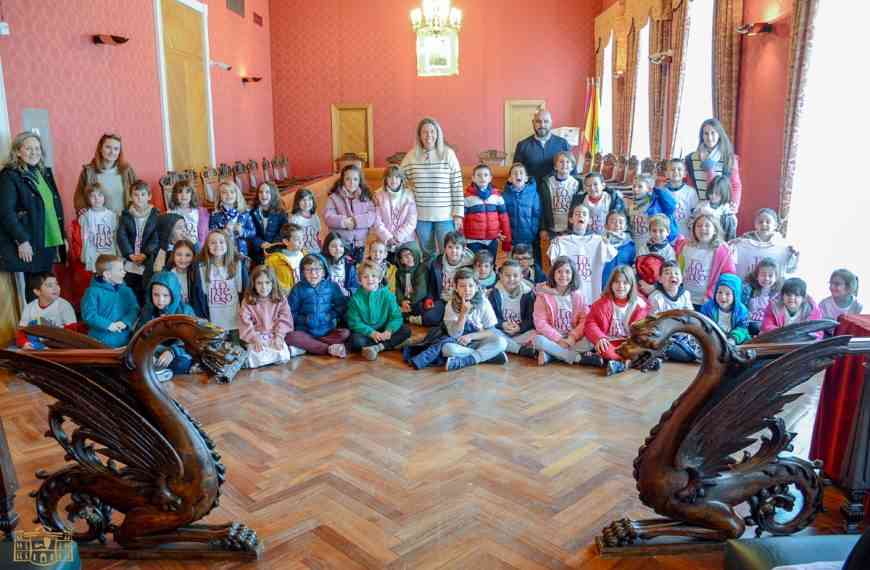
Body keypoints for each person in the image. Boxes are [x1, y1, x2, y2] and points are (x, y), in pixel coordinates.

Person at [0, 132, 66, 299]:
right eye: (28, 148)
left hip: (49, 239)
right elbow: (6, 212)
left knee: (47, 288)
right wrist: (22, 240)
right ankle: (34, 325)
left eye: (37, 148)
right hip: (32, 241)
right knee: (36, 290)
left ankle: (46, 324)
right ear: (18, 151)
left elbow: (53, 207)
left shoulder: (43, 173)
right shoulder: (10, 175)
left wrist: (62, 234)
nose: (34, 152)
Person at [400, 117, 464, 264]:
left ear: (438, 134)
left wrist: (458, 214)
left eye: (432, 131)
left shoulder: (448, 154)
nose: (429, 135)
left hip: (445, 215)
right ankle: (431, 284)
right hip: (421, 215)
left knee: (447, 254)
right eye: (425, 132)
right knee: (427, 255)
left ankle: (447, 285)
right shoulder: (412, 156)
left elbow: (457, 185)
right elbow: (398, 178)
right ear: (419, 135)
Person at [584, 265, 650, 376]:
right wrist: (599, 338)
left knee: (644, 347)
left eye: (625, 283)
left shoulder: (639, 305)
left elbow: (643, 329)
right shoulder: (602, 303)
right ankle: (636, 362)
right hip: (611, 342)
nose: (621, 286)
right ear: (611, 284)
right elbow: (590, 323)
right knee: (605, 350)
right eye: (617, 282)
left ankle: (621, 365)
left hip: (630, 343)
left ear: (632, 285)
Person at [441, 267, 508, 371]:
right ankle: (490, 356)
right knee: (447, 349)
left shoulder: (483, 302)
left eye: (471, 286)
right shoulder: (450, 305)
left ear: (477, 286)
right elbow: (454, 334)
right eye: (462, 286)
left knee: (502, 342)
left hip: (479, 340)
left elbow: (492, 331)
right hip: (460, 343)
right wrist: (463, 314)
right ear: (455, 287)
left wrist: (471, 336)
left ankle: (465, 361)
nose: (467, 290)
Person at [548, 203, 616, 303]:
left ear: (590, 221)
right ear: (571, 219)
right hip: (568, 295)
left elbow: (612, 255)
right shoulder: (561, 242)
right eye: (577, 214)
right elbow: (553, 264)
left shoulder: (599, 241)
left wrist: (606, 243)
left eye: (584, 214)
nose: (580, 216)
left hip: (592, 294)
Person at [532, 256, 594, 366]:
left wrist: (572, 337)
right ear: (553, 274)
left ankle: (551, 354)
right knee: (537, 340)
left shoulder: (579, 296)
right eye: (559, 271)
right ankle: (574, 357)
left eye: (567, 272)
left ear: (573, 275)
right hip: (552, 337)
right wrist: (559, 339)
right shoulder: (543, 296)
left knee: (591, 340)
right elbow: (540, 323)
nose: (563, 275)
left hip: (572, 338)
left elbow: (585, 320)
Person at [135, 271, 197, 379]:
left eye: (165, 295)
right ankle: (158, 372)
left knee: (181, 363)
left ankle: (159, 372)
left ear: (174, 294)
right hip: (155, 349)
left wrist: (172, 352)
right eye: (156, 295)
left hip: (178, 350)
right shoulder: (147, 310)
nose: (160, 300)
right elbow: (140, 333)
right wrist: (148, 353)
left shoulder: (185, 311)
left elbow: (189, 339)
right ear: (150, 294)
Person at [286, 253, 350, 358]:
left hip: (327, 332)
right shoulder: (298, 288)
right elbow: (290, 313)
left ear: (324, 271)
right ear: (303, 272)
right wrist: (305, 320)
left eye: (317, 269)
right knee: (291, 337)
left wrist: (330, 316)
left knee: (345, 333)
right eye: (308, 269)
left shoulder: (332, 286)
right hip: (305, 331)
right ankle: (328, 349)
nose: (313, 273)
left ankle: (312, 346)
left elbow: (341, 306)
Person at [347, 260, 412, 361]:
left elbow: (396, 316)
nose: (370, 280)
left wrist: (389, 330)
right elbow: (354, 322)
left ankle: (377, 347)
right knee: (355, 341)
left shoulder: (388, 295)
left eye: (373, 276)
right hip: (367, 333)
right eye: (365, 277)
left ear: (379, 278)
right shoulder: (355, 299)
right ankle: (392, 344)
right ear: (360, 280)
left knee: (406, 330)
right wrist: (371, 333)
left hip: (385, 330)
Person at [239, 265, 300, 369]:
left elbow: (285, 319)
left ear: (273, 283)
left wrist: (279, 336)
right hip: (257, 336)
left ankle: (289, 349)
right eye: (259, 283)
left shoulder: (280, 299)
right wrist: (254, 338)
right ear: (253, 284)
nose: (264, 287)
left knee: (282, 356)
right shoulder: (248, 301)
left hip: (275, 335)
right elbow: (245, 322)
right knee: (255, 359)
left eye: (267, 282)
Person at [195, 230, 248, 338]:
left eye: (221, 242)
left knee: (236, 348)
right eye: (213, 242)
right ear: (207, 246)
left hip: (236, 319)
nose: (217, 245)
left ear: (228, 244)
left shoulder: (238, 264)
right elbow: (199, 295)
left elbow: (246, 291)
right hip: (213, 321)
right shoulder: (201, 267)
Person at [678, 211, 736, 308]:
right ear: (693, 229)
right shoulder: (684, 245)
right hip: (683, 298)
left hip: (706, 301)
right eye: (699, 226)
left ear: (715, 230)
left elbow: (728, 277)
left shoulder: (722, 250)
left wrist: (711, 294)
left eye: (707, 226)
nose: (703, 229)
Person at [684, 118, 742, 213]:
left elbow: (735, 185)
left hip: (721, 209)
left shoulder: (729, 158)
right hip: (698, 209)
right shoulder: (691, 159)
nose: (709, 138)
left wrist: (734, 204)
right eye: (706, 133)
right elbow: (690, 186)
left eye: (713, 133)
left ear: (719, 135)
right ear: (701, 136)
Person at [81, 254, 139, 348]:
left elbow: (134, 309)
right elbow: (89, 314)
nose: (124, 272)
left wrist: (126, 322)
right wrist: (108, 325)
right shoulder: (92, 292)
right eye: (120, 270)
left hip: (125, 341)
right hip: (99, 342)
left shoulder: (126, 290)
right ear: (107, 274)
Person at [418, 231, 474, 327]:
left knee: (467, 322)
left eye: (457, 248)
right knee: (429, 317)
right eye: (450, 247)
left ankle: (446, 322)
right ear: (444, 248)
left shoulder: (470, 265)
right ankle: (444, 320)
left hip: (461, 300)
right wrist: (429, 298)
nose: (453, 251)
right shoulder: (437, 263)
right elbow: (432, 284)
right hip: (444, 299)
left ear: (463, 250)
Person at [647, 261, 700, 363]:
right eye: (667, 273)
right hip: (666, 337)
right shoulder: (656, 297)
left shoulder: (685, 294)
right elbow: (654, 323)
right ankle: (661, 354)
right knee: (685, 355)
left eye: (676, 273)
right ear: (660, 279)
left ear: (681, 278)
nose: (672, 275)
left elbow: (691, 317)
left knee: (703, 346)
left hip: (684, 334)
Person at [73, 133, 137, 215]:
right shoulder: (88, 171)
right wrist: (81, 208)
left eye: (116, 149)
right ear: (100, 148)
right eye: (108, 147)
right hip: (99, 224)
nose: (112, 152)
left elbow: (138, 191)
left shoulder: (127, 170)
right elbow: (79, 195)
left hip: (124, 222)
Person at [117, 180, 159, 303]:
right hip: (131, 260)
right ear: (131, 196)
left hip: (148, 259)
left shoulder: (155, 214)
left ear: (149, 196)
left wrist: (145, 254)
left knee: (147, 288)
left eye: (143, 194)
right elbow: (121, 236)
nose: (139, 198)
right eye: (136, 195)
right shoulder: (126, 215)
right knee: (131, 289)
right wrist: (129, 254)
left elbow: (155, 237)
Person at [325, 164, 376, 263]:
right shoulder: (334, 197)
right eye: (348, 179)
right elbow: (328, 217)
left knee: (357, 270)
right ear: (342, 180)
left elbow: (372, 216)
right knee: (343, 270)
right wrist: (344, 222)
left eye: (355, 179)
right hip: (341, 245)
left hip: (360, 243)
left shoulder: (365, 197)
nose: (352, 183)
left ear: (359, 181)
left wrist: (356, 221)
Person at [729, 208, 798, 280]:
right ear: (755, 225)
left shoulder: (783, 246)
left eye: (768, 222)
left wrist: (794, 256)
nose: (764, 224)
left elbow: (791, 270)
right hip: (748, 285)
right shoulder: (742, 243)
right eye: (760, 222)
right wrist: (731, 245)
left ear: (775, 225)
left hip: (772, 287)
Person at [16, 272, 78, 350]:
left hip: (60, 345)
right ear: (37, 291)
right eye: (50, 286)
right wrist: (24, 343)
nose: (55, 288)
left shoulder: (64, 306)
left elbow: (72, 333)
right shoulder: (29, 308)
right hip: (36, 345)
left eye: (57, 284)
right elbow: (22, 331)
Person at [489, 260, 536, 359]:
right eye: (507, 275)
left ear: (521, 277)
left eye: (515, 276)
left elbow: (531, 319)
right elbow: (491, 318)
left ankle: (506, 347)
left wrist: (520, 327)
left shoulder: (528, 294)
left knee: (538, 335)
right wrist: (502, 324)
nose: (511, 279)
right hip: (502, 332)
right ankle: (520, 350)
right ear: (500, 276)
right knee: (489, 332)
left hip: (521, 333)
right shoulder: (494, 293)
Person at [463, 163, 511, 258]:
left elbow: (504, 219)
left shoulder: (497, 197)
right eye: (479, 175)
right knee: (474, 267)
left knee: (490, 266)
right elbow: (461, 221)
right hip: (473, 241)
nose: (482, 178)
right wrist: (461, 241)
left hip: (492, 240)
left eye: (485, 175)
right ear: (473, 178)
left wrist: (507, 241)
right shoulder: (467, 198)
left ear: (490, 178)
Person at [512, 108, 573, 184]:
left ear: (551, 123)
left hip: (556, 192)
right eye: (538, 121)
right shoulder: (522, 145)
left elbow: (573, 171)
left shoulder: (563, 143)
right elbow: (515, 172)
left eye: (546, 121)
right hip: (532, 192)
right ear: (533, 123)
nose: (542, 125)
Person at [373, 165, 417, 262]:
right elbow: (376, 221)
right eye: (390, 177)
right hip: (383, 238)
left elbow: (412, 221)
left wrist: (398, 237)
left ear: (401, 179)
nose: (393, 180)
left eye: (397, 177)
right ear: (385, 179)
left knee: (411, 257)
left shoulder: (409, 194)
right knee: (380, 258)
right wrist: (388, 237)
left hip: (405, 238)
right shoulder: (378, 195)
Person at [503, 162, 542, 269]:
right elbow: (503, 216)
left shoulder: (533, 194)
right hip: (511, 239)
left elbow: (536, 214)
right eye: (514, 173)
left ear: (526, 178)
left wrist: (532, 231)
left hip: (528, 238)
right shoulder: (505, 195)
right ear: (510, 179)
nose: (518, 175)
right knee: (512, 266)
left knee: (526, 266)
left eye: (521, 173)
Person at [626, 174, 677, 250]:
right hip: (635, 246)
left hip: (653, 247)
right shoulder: (632, 205)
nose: (635, 189)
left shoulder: (655, 203)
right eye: (634, 186)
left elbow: (671, 206)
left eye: (640, 186)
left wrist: (659, 189)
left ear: (649, 189)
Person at [539, 151, 581, 238]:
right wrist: (543, 228)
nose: (564, 164)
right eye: (561, 162)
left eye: (568, 162)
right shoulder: (547, 183)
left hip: (570, 228)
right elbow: (541, 207)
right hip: (552, 228)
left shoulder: (577, 184)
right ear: (555, 166)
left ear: (572, 167)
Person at [701, 273, 750, 344]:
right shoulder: (708, 308)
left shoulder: (741, 311)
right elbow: (704, 325)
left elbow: (742, 328)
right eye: (720, 292)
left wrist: (733, 339)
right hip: (714, 340)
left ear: (735, 295)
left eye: (727, 294)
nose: (723, 297)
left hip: (735, 342)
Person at [209, 181, 255, 258]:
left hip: (241, 252)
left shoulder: (244, 213)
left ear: (237, 194)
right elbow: (212, 235)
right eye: (224, 192)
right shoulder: (215, 216)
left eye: (232, 192)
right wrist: (224, 232)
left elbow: (253, 232)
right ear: (219, 196)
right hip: (223, 253)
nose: (229, 195)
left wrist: (242, 231)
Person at [248, 181, 287, 266]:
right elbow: (251, 233)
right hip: (259, 251)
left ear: (273, 194)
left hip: (277, 249)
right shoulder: (252, 212)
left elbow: (284, 231)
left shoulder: (281, 212)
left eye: (267, 192)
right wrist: (261, 243)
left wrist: (272, 245)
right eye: (261, 192)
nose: (263, 195)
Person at [742, 257, 781, 336]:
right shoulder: (748, 289)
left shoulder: (778, 294)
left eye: (770, 276)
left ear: (776, 278)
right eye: (763, 275)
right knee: (753, 327)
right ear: (757, 276)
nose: (766, 278)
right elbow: (742, 307)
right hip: (750, 322)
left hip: (767, 323)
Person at [167, 179, 210, 250]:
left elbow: (204, 232)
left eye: (187, 192)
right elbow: (168, 235)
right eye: (180, 192)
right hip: (178, 246)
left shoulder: (198, 212)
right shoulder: (171, 213)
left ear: (192, 194)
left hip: (195, 245)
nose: (184, 195)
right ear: (175, 195)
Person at [165, 239, 204, 316]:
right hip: (174, 315)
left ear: (193, 256)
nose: (183, 259)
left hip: (194, 316)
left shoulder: (197, 275)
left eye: (188, 255)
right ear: (173, 255)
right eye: (179, 254)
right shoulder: (168, 276)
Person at [264, 223, 305, 295]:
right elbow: (271, 282)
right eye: (297, 239)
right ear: (286, 241)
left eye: (302, 238)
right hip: (286, 299)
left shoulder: (306, 255)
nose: (301, 242)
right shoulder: (273, 260)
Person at [692, 175, 736, 241]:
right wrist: (697, 214)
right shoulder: (702, 205)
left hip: (721, 244)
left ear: (724, 193)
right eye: (711, 192)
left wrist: (712, 213)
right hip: (702, 242)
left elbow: (731, 235)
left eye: (717, 194)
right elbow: (691, 225)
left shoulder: (728, 210)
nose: (713, 196)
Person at [601, 210, 636, 290]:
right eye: (613, 222)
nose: (617, 225)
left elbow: (632, 267)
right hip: (604, 284)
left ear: (625, 226)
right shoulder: (601, 243)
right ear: (606, 225)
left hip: (623, 286)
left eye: (620, 222)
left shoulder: (630, 245)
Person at [394, 245, 430, 321]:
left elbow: (420, 291)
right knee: (391, 306)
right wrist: (402, 301)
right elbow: (398, 289)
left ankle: (407, 316)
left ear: (414, 255)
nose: (408, 257)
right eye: (405, 256)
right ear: (401, 261)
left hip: (417, 300)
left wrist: (409, 303)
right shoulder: (399, 272)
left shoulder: (422, 268)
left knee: (420, 307)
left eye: (410, 254)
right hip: (404, 300)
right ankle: (406, 315)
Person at [665, 158, 699, 238]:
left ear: (685, 174)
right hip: (666, 235)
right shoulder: (662, 191)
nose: (676, 171)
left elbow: (696, 213)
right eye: (672, 169)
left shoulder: (691, 192)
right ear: (666, 173)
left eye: (679, 169)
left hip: (685, 235)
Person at [321, 231, 359, 297]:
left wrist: (348, 292)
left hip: (344, 300)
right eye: (333, 246)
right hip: (327, 300)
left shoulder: (349, 265)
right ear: (327, 248)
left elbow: (355, 286)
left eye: (341, 246)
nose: (338, 249)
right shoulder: (322, 264)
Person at [289, 188, 321, 254]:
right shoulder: (295, 219)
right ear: (297, 202)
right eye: (303, 200)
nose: (306, 203)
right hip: (302, 252)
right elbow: (293, 240)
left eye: (309, 199)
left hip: (316, 250)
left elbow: (317, 236)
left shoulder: (315, 217)